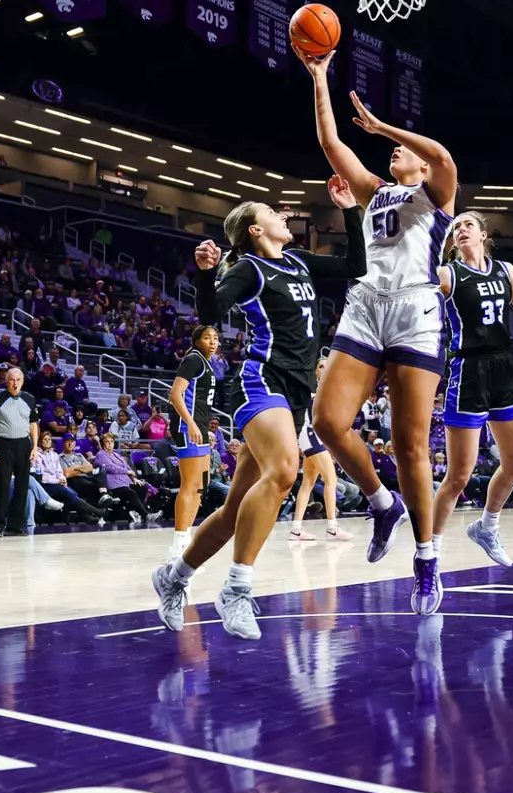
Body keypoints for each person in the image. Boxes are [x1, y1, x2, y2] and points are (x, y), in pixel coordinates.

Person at [152, 183, 366, 641]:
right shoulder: (249, 268)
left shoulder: (297, 261)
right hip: (260, 381)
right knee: (286, 471)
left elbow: (355, 266)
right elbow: (209, 312)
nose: (283, 214)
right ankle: (236, 588)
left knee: (234, 510)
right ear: (255, 229)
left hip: (295, 392)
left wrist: (350, 211)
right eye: (274, 210)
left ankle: (174, 577)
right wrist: (207, 273)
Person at [299, 44, 458, 615]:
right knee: (326, 421)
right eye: (391, 147)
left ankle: (426, 556)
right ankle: (380, 502)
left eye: (402, 150)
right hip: (368, 304)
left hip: (416, 312)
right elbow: (330, 144)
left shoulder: (435, 194)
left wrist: (381, 124)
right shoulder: (372, 190)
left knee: (412, 444)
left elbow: (441, 155)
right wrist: (320, 77)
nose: (396, 150)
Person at [430, 213, 513, 565]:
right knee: (458, 476)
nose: (461, 230)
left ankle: (487, 526)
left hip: (503, 368)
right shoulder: (447, 274)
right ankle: (428, 555)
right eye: (456, 227)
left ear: (483, 234)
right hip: (468, 371)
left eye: (467, 224)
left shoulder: (505, 269)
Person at [167, 324, 220, 557]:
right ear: (196, 340)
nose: (213, 341)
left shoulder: (206, 364)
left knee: (201, 486)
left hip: (199, 427)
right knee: (189, 485)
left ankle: (187, 537)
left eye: (216, 338)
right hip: (186, 426)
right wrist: (189, 422)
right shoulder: (194, 359)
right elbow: (175, 393)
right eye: (207, 337)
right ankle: (178, 544)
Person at [289, 354, 354, 542]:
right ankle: (332, 526)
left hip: (316, 436)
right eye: (322, 367)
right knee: (331, 479)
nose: (325, 369)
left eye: (328, 366)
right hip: (309, 432)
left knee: (309, 482)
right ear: (316, 371)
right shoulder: (310, 387)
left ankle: (296, 528)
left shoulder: (330, 390)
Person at [0, 367, 39, 536]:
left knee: (22, 486)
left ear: (22, 381)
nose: (15, 383)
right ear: (6, 381)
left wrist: (35, 447)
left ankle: (16, 525)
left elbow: (33, 425)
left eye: (18, 380)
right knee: (2, 485)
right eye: (11, 380)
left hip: (23, 444)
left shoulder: (30, 399)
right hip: (3, 444)